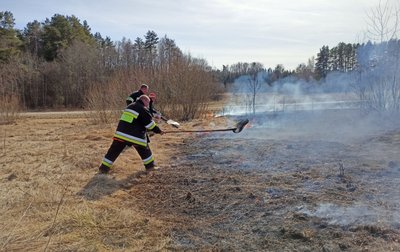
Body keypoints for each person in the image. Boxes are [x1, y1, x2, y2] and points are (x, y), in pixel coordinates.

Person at [98, 95, 164, 174]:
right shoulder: (142, 109)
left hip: (120, 134)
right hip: (135, 136)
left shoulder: (130, 106)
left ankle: (103, 169)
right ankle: (150, 167)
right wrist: (159, 131)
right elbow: (149, 125)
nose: (148, 105)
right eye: (148, 102)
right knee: (145, 150)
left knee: (113, 151)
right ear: (144, 101)